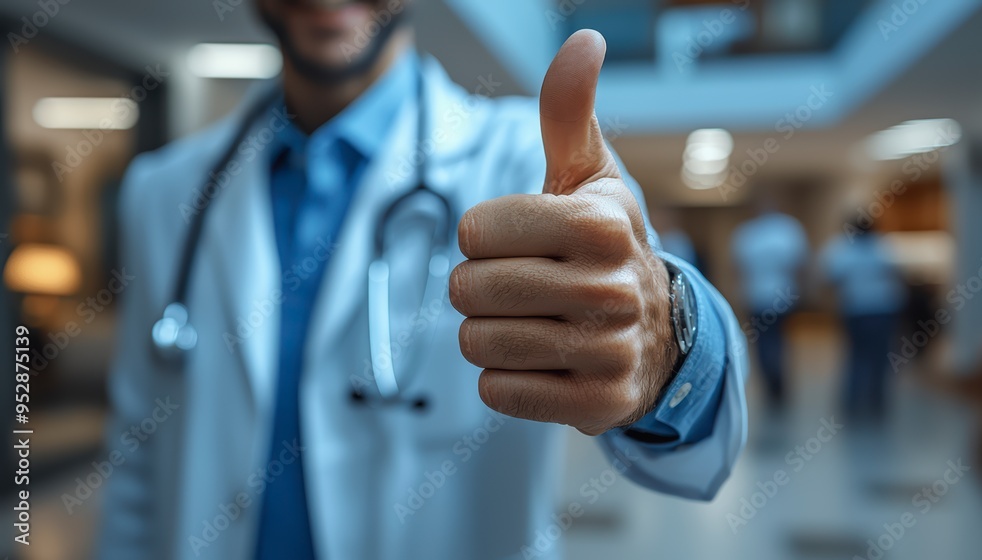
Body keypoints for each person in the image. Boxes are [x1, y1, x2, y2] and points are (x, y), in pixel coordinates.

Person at [97, 2, 748, 559]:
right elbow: (138, 452)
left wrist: (666, 339)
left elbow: (698, 395)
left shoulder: (529, 159)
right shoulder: (165, 192)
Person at [820, 219, 905, 421]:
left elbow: (830, 278)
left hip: (856, 310)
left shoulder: (842, 249)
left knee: (856, 356)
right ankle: (876, 400)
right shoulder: (883, 246)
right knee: (879, 357)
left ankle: (853, 401)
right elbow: (896, 274)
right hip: (882, 309)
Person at [731, 205, 808, 410]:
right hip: (782, 296)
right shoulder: (788, 229)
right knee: (779, 341)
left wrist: (741, 295)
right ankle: (778, 383)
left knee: (764, 342)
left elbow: (739, 269)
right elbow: (800, 265)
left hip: (756, 296)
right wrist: (799, 291)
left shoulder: (747, 233)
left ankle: (772, 383)